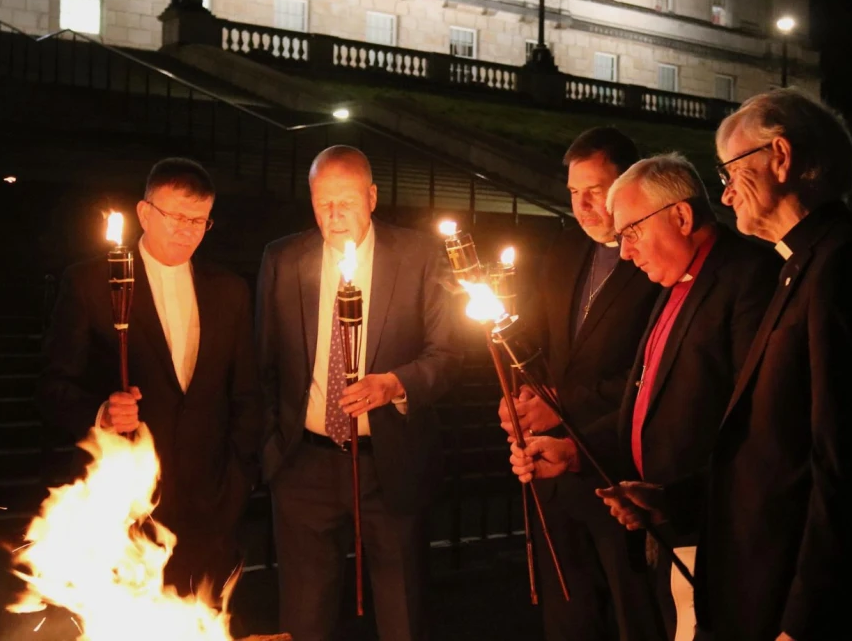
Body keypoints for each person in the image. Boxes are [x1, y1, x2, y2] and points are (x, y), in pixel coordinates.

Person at [600, 89, 852, 640]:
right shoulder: (801, 265)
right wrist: (676, 501)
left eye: (730, 171)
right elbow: (772, 445)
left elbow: (848, 463)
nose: (724, 196)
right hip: (757, 580)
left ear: (780, 156)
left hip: (794, 603)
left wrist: (804, 619)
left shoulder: (843, 267)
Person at [513, 153, 778, 641]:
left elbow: (755, 425)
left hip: (716, 534)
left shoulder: (745, 277)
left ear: (681, 215)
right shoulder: (674, 281)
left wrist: (677, 499)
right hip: (666, 523)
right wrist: (574, 451)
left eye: (631, 232)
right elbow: (646, 403)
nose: (627, 252)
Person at [256, 145, 462, 641]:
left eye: (345, 200)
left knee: (402, 616)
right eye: (322, 202)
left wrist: (394, 384)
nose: (333, 214)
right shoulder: (283, 258)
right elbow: (262, 363)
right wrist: (273, 455)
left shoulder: (417, 256)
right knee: (303, 619)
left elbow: (448, 355)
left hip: (388, 462)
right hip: (304, 463)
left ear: (372, 197)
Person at [39, 157, 260, 601]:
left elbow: (247, 393)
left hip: (208, 505)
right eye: (176, 216)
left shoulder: (229, 290)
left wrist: (237, 479)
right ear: (144, 213)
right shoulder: (90, 283)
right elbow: (52, 387)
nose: (187, 230)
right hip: (122, 502)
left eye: (199, 220)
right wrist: (99, 412)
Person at [498, 127, 666, 641]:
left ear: (629, 184)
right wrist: (519, 399)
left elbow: (651, 374)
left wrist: (561, 406)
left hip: (620, 473)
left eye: (595, 190)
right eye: (574, 192)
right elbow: (543, 346)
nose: (583, 204)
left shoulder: (656, 261)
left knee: (637, 618)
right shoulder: (566, 250)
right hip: (556, 480)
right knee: (569, 620)